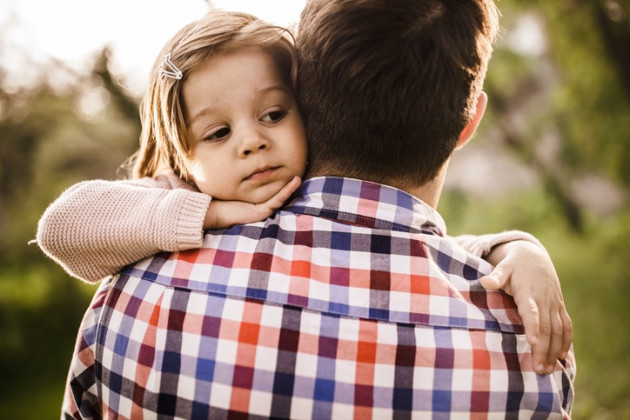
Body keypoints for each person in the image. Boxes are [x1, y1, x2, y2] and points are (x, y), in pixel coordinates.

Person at [52, 2, 575, 418]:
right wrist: (205, 212)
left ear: (308, 102)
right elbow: (63, 226)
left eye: (273, 114)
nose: (252, 142)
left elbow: (397, 236)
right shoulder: (529, 356)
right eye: (217, 132)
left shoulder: (133, 297)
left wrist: (512, 247)